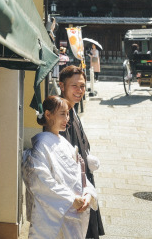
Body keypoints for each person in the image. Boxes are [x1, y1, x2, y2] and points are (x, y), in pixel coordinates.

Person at [23, 95, 97, 239]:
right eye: (62, 114)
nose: (66, 119)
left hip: (75, 210)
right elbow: (41, 182)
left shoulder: (63, 142)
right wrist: (71, 198)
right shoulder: (41, 145)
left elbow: (79, 174)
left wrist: (88, 193)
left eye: (68, 114)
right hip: (53, 216)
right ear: (48, 114)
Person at [58, 66, 104, 238]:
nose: (80, 90)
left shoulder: (72, 109)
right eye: (74, 86)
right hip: (73, 190)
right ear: (62, 86)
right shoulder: (61, 114)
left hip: (84, 183)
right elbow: (61, 159)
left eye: (82, 86)